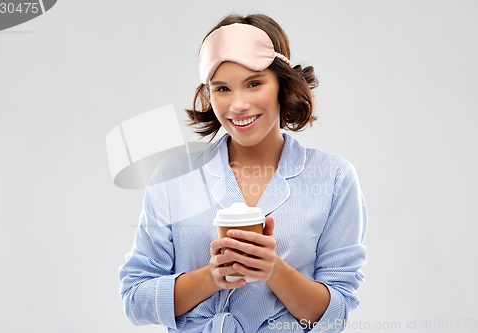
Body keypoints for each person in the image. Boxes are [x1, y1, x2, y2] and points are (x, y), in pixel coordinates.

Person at [119, 13, 367, 333]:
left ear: (282, 83)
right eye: (222, 88)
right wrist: (212, 277)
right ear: (209, 94)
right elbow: (134, 299)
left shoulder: (334, 179)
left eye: (253, 83)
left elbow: (337, 315)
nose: (238, 105)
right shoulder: (174, 177)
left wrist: (273, 270)